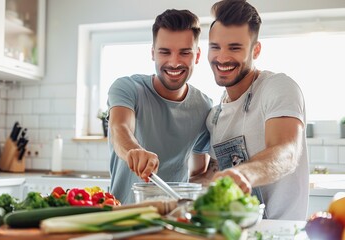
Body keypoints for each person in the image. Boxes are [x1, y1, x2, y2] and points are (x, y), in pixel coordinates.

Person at [205, 0, 309, 220]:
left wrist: (244, 173)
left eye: (235, 48)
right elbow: (214, 175)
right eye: (215, 47)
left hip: (281, 233)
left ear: (256, 49)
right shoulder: (214, 116)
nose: (222, 58)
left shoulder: (277, 87)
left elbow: (286, 151)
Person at [107, 9, 213, 204]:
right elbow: (119, 128)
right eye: (165, 52)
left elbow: (199, 168)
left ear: (197, 56)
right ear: (153, 53)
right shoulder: (128, 88)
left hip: (174, 217)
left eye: (185, 52)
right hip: (121, 214)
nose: (174, 62)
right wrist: (133, 151)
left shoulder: (204, 106)